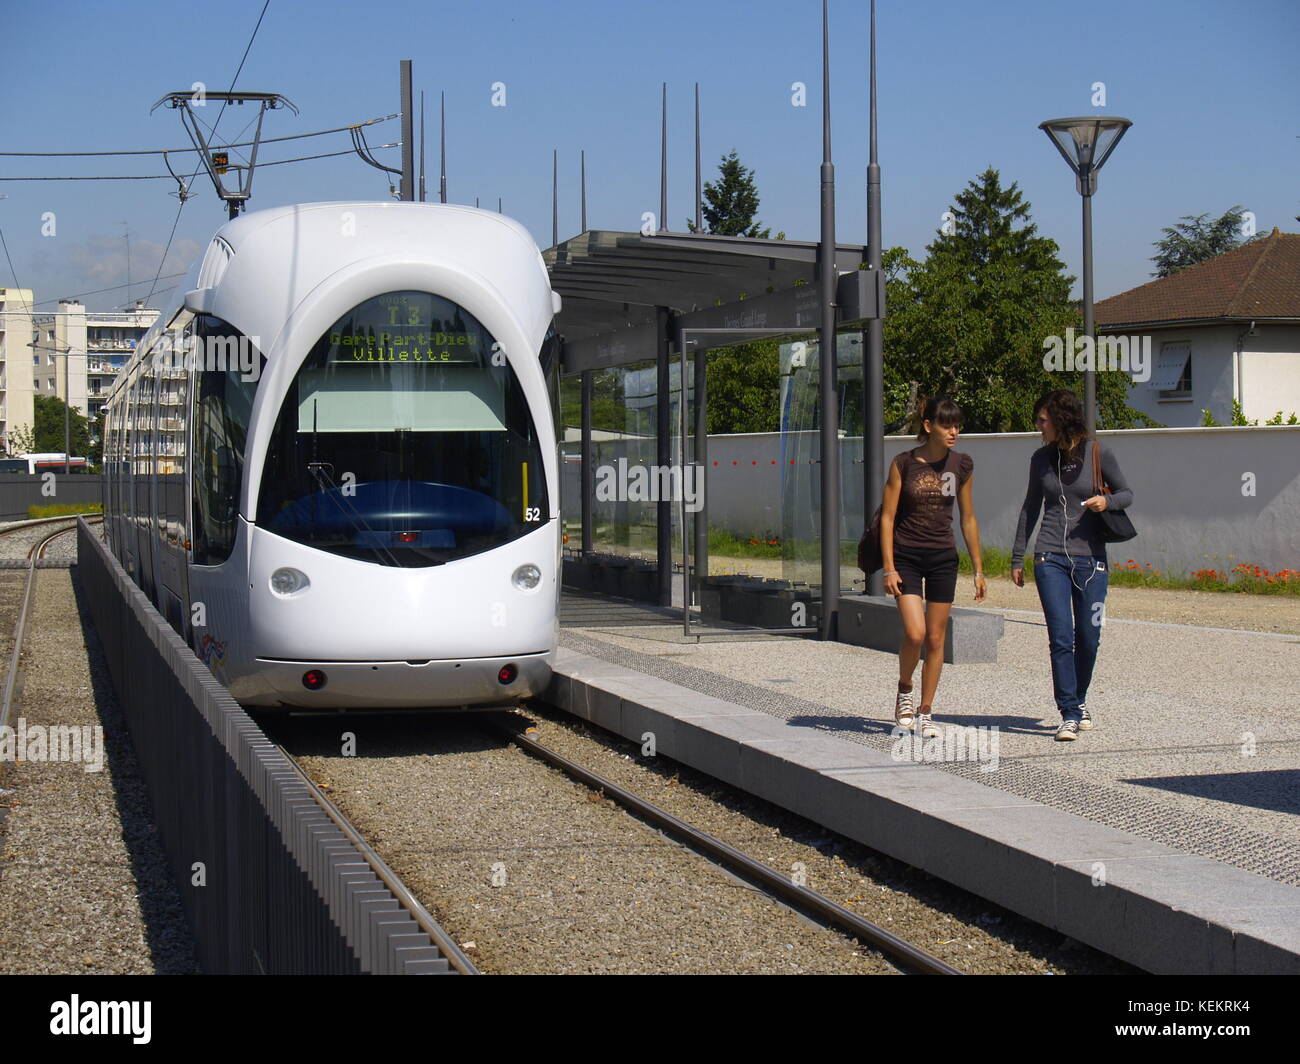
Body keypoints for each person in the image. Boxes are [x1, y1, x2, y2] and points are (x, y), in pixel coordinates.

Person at [1011, 389, 1133, 742]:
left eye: (1043, 420)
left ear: (1061, 419)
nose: (1038, 426)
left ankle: (1078, 701)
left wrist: (1105, 501)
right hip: (1050, 558)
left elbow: (1127, 493)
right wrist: (1018, 557)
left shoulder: (1098, 452)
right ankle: (1069, 711)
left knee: (1089, 638)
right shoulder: (1040, 459)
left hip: (1091, 561)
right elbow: (1029, 507)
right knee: (1061, 637)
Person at [880, 396, 986, 737]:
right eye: (946, 425)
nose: (954, 431)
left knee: (937, 638)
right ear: (928, 426)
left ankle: (927, 710)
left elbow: (968, 518)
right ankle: (905, 688)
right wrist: (889, 567)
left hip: (943, 557)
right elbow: (887, 517)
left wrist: (979, 569)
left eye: (957, 425)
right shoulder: (903, 463)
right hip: (907, 556)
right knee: (915, 633)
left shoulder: (962, 464)